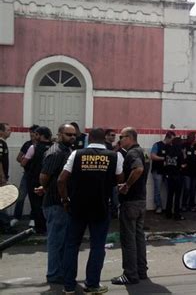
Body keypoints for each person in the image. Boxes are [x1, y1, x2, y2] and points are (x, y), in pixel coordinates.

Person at [58, 128, 123, 294]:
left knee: (71, 245)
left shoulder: (76, 154)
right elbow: (119, 180)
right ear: (104, 139)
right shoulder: (115, 156)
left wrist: (65, 200)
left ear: (89, 138)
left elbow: (61, 180)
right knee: (97, 246)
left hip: (77, 207)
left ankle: (69, 287)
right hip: (101, 207)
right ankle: (92, 284)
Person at [38, 123, 76, 284]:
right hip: (55, 203)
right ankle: (54, 274)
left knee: (62, 241)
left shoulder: (67, 150)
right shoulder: (56, 152)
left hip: (61, 203)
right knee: (56, 241)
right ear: (60, 134)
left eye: (74, 135)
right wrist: (45, 188)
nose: (72, 137)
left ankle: (59, 272)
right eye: (68, 134)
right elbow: (44, 176)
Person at [112, 127, 150, 285]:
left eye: (121, 137)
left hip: (131, 202)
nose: (120, 140)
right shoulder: (144, 152)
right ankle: (141, 271)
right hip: (141, 201)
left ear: (129, 137)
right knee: (139, 237)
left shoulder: (133, 153)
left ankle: (130, 274)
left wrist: (126, 185)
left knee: (128, 239)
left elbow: (139, 169)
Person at [21, 126, 52, 234]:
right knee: (48, 203)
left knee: (36, 204)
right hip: (50, 180)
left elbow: (23, 163)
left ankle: (40, 228)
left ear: (41, 136)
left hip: (34, 180)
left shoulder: (33, 147)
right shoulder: (55, 148)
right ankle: (48, 226)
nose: (34, 136)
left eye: (37, 134)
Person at [11, 124, 38, 227]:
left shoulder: (40, 146)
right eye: (30, 132)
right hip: (27, 174)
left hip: (37, 175)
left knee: (35, 198)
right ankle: (16, 217)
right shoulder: (27, 144)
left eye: (33, 133)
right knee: (21, 196)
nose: (31, 134)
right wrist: (25, 161)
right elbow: (18, 158)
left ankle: (33, 218)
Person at [150, 131, 175, 214]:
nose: (172, 141)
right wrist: (163, 159)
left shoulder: (171, 146)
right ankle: (159, 206)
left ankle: (169, 207)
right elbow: (152, 156)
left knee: (170, 189)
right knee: (157, 190)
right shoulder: (157, 145)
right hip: (157, 171)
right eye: (172, 139)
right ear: (167, 137)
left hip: (168, 171)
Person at [163, 137, 186, 220]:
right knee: (177, 196)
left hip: (169, 176)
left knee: (170, 195)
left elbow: (165, 163)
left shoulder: (168, 152)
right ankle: (177, 214)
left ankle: (168, 213)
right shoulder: (179, 153)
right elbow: (183, 165)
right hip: (178, 176)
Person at [181, 132, 196, 212]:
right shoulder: (185, 146)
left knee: (193, 189)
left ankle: (192, 205)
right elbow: (183, 157)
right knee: (187, 188)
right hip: (186, 171)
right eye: (195, 137)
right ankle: (184, 205)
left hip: (195, 171)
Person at [0, 123, 12, 230]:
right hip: (0, 178)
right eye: (8, 130)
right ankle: (5, 225)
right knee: (2, 200)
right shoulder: (0, 143)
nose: (10, 131)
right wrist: (2, 177)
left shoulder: (3, 143)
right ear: (1, 131)